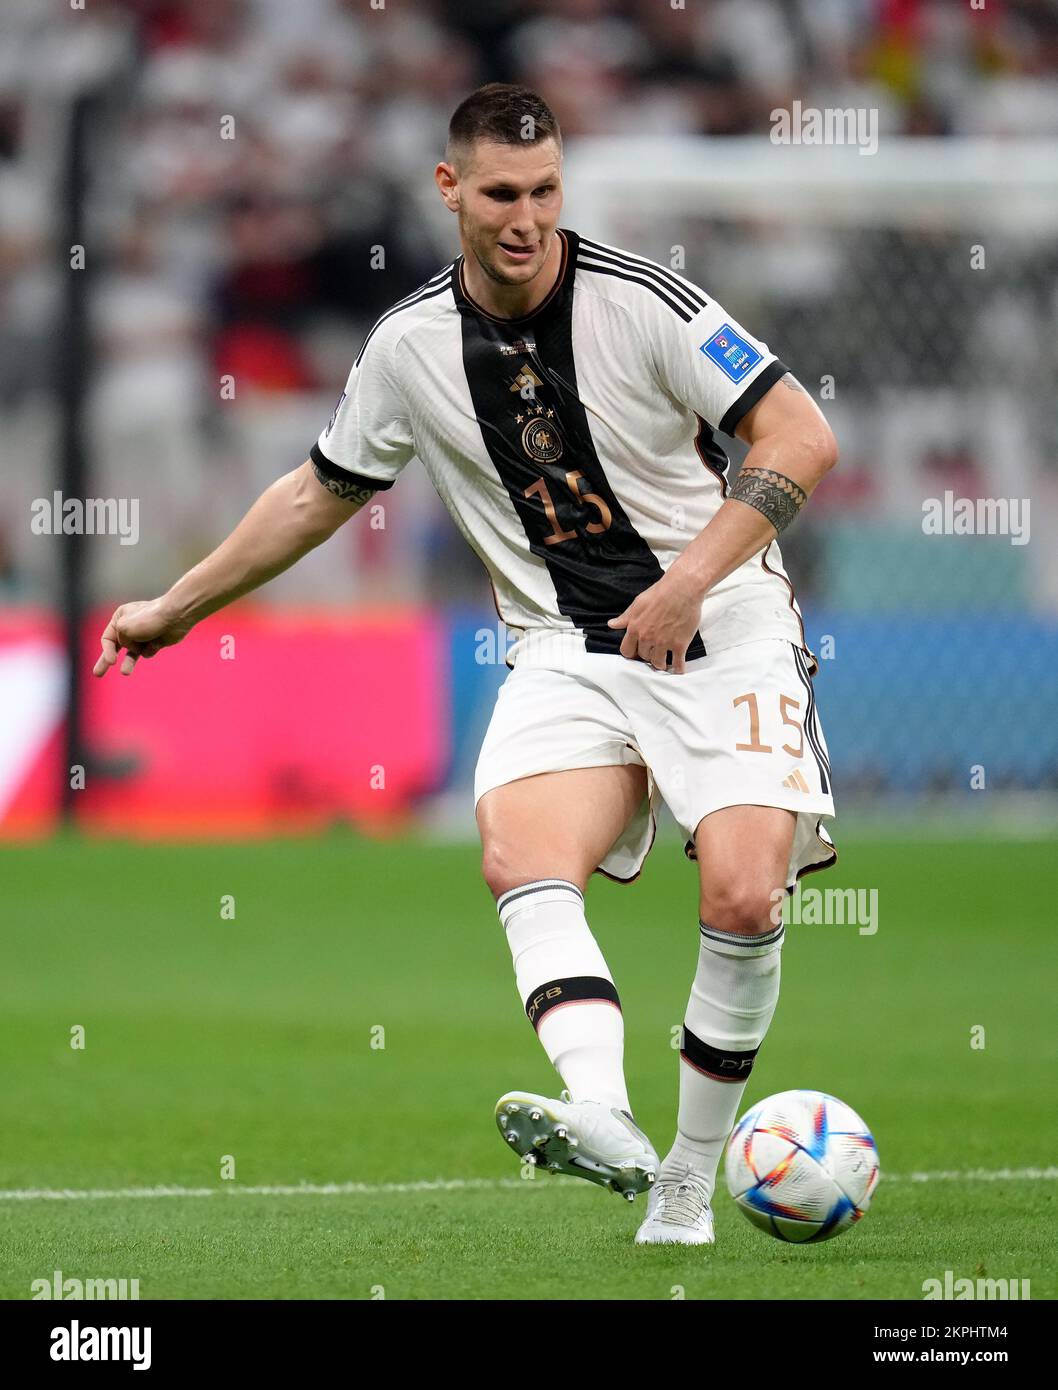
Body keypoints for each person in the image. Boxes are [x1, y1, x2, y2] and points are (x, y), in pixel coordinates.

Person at [94, 82, 839, 1248]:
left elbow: (800, 434)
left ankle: (689, 1183)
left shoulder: (648, 304)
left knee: (743, 893)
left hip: (720, 623)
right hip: (561, 648)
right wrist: (178, 607)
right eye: (500, 192)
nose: (525, 216)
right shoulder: (407, 348)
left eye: (544, 192)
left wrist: (689, 576)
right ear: (450, 190)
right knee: (516, 853)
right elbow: (316, 492)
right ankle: (599, 1109)